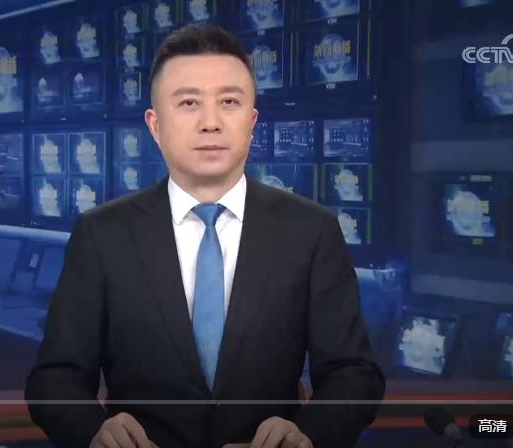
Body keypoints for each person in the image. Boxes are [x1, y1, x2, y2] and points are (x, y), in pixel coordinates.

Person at [25, 24, 385, 448]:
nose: (210, 123)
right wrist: (93, 431)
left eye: (229, 102)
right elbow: (55, 377)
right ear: (155, 125)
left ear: (252, 122)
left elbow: (353, 373)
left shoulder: (311, 230)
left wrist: (308, 434)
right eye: (189, 103)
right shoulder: (102, 234)